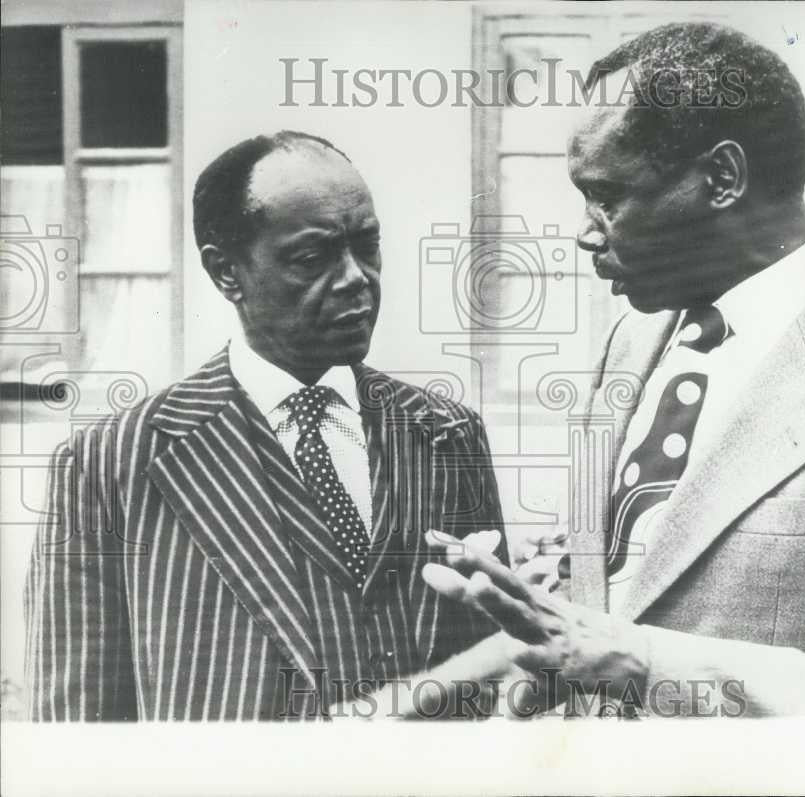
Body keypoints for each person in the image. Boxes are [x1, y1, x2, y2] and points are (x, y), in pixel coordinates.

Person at [421, 22, 805, 717]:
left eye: (607, 195)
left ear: (722, 178)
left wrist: (634, 661)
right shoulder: (632, 337)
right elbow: (605, 602)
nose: (584, 231)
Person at [23, 130, 506, 721]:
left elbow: (494, 667)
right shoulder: (110, 462)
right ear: (227, 273)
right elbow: (77, 725)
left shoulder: (447, 433)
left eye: (368, 246)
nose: (357, 278)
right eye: (313, 258)